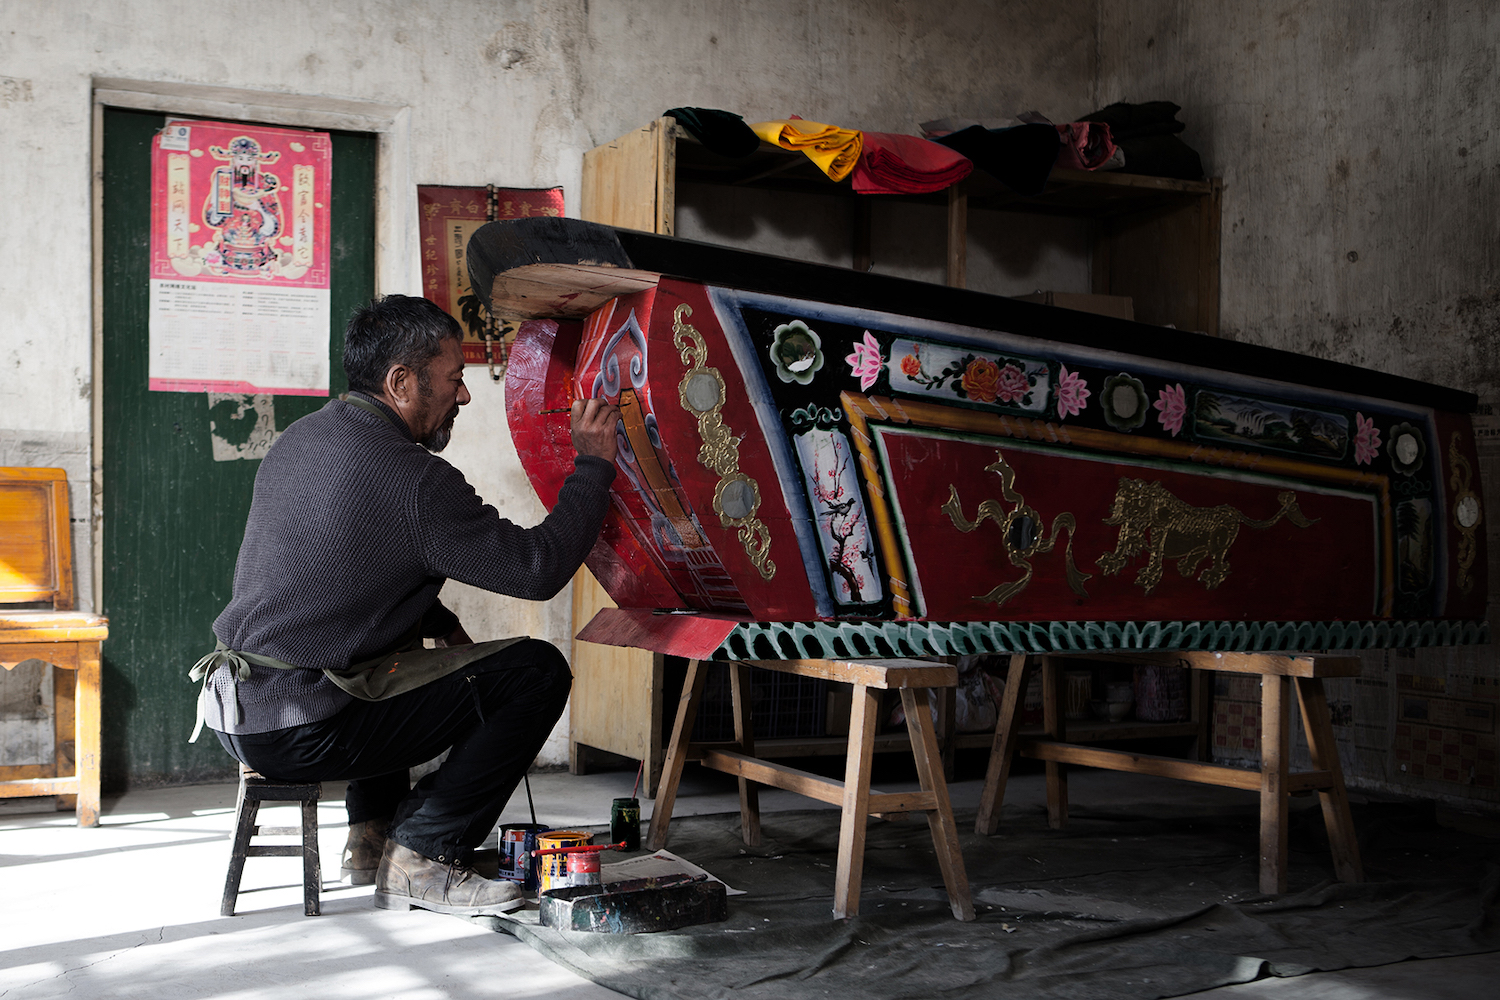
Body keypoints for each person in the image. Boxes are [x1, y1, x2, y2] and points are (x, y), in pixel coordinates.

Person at [191, 293, 620, 916]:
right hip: (301, 723)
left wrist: (439, 620)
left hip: (239, 711)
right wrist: (592, 467)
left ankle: (369, 840)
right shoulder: (414, 478)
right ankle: (422, 854)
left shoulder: (301, 438)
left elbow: (344, 572)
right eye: (454, 379)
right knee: (536, 672)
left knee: (394, 655)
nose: (464, 396)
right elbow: (538, 569)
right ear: (401, 381)